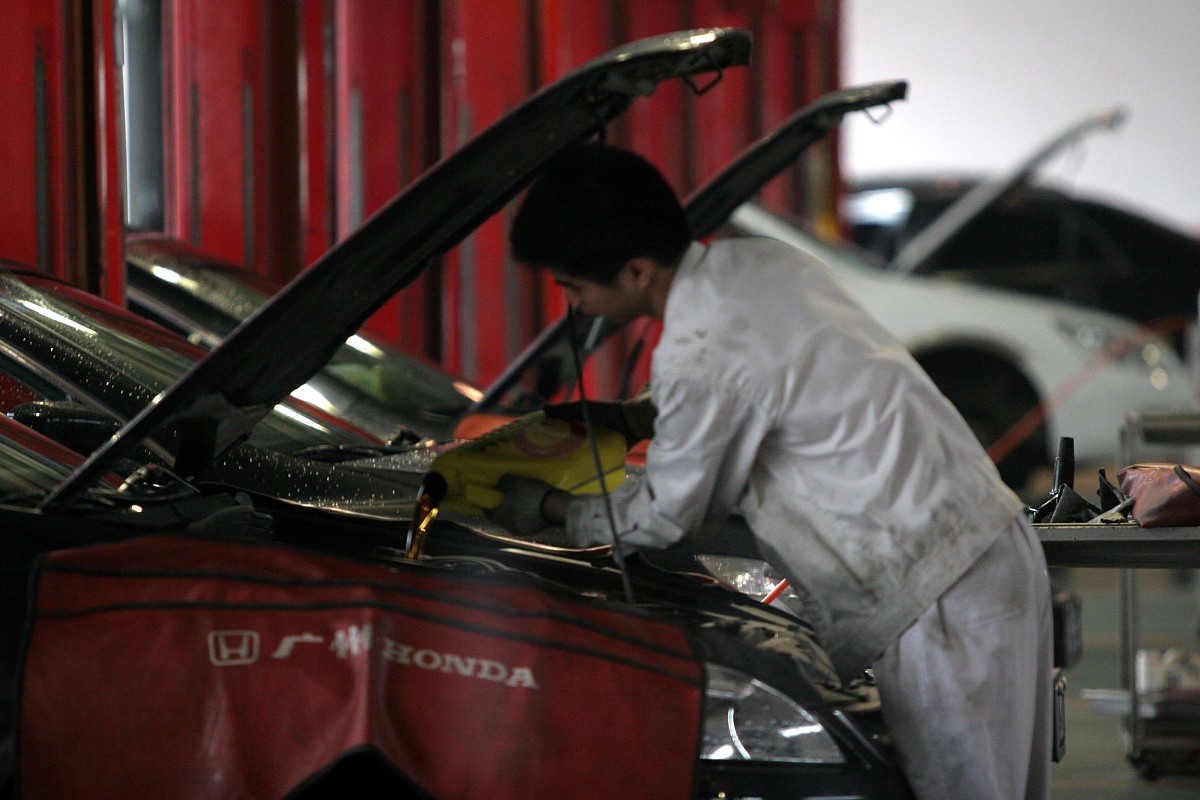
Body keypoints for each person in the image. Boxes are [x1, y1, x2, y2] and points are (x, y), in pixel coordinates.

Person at [492, 142, 1053, 800]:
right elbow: (778, 386)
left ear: (638, 270)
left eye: (574, 287)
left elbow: (666, 518)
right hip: (980, 550)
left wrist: (550, 509)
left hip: (939, 599)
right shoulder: (760, 264)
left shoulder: (699, 350)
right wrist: (641, 420)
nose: (577, 306)